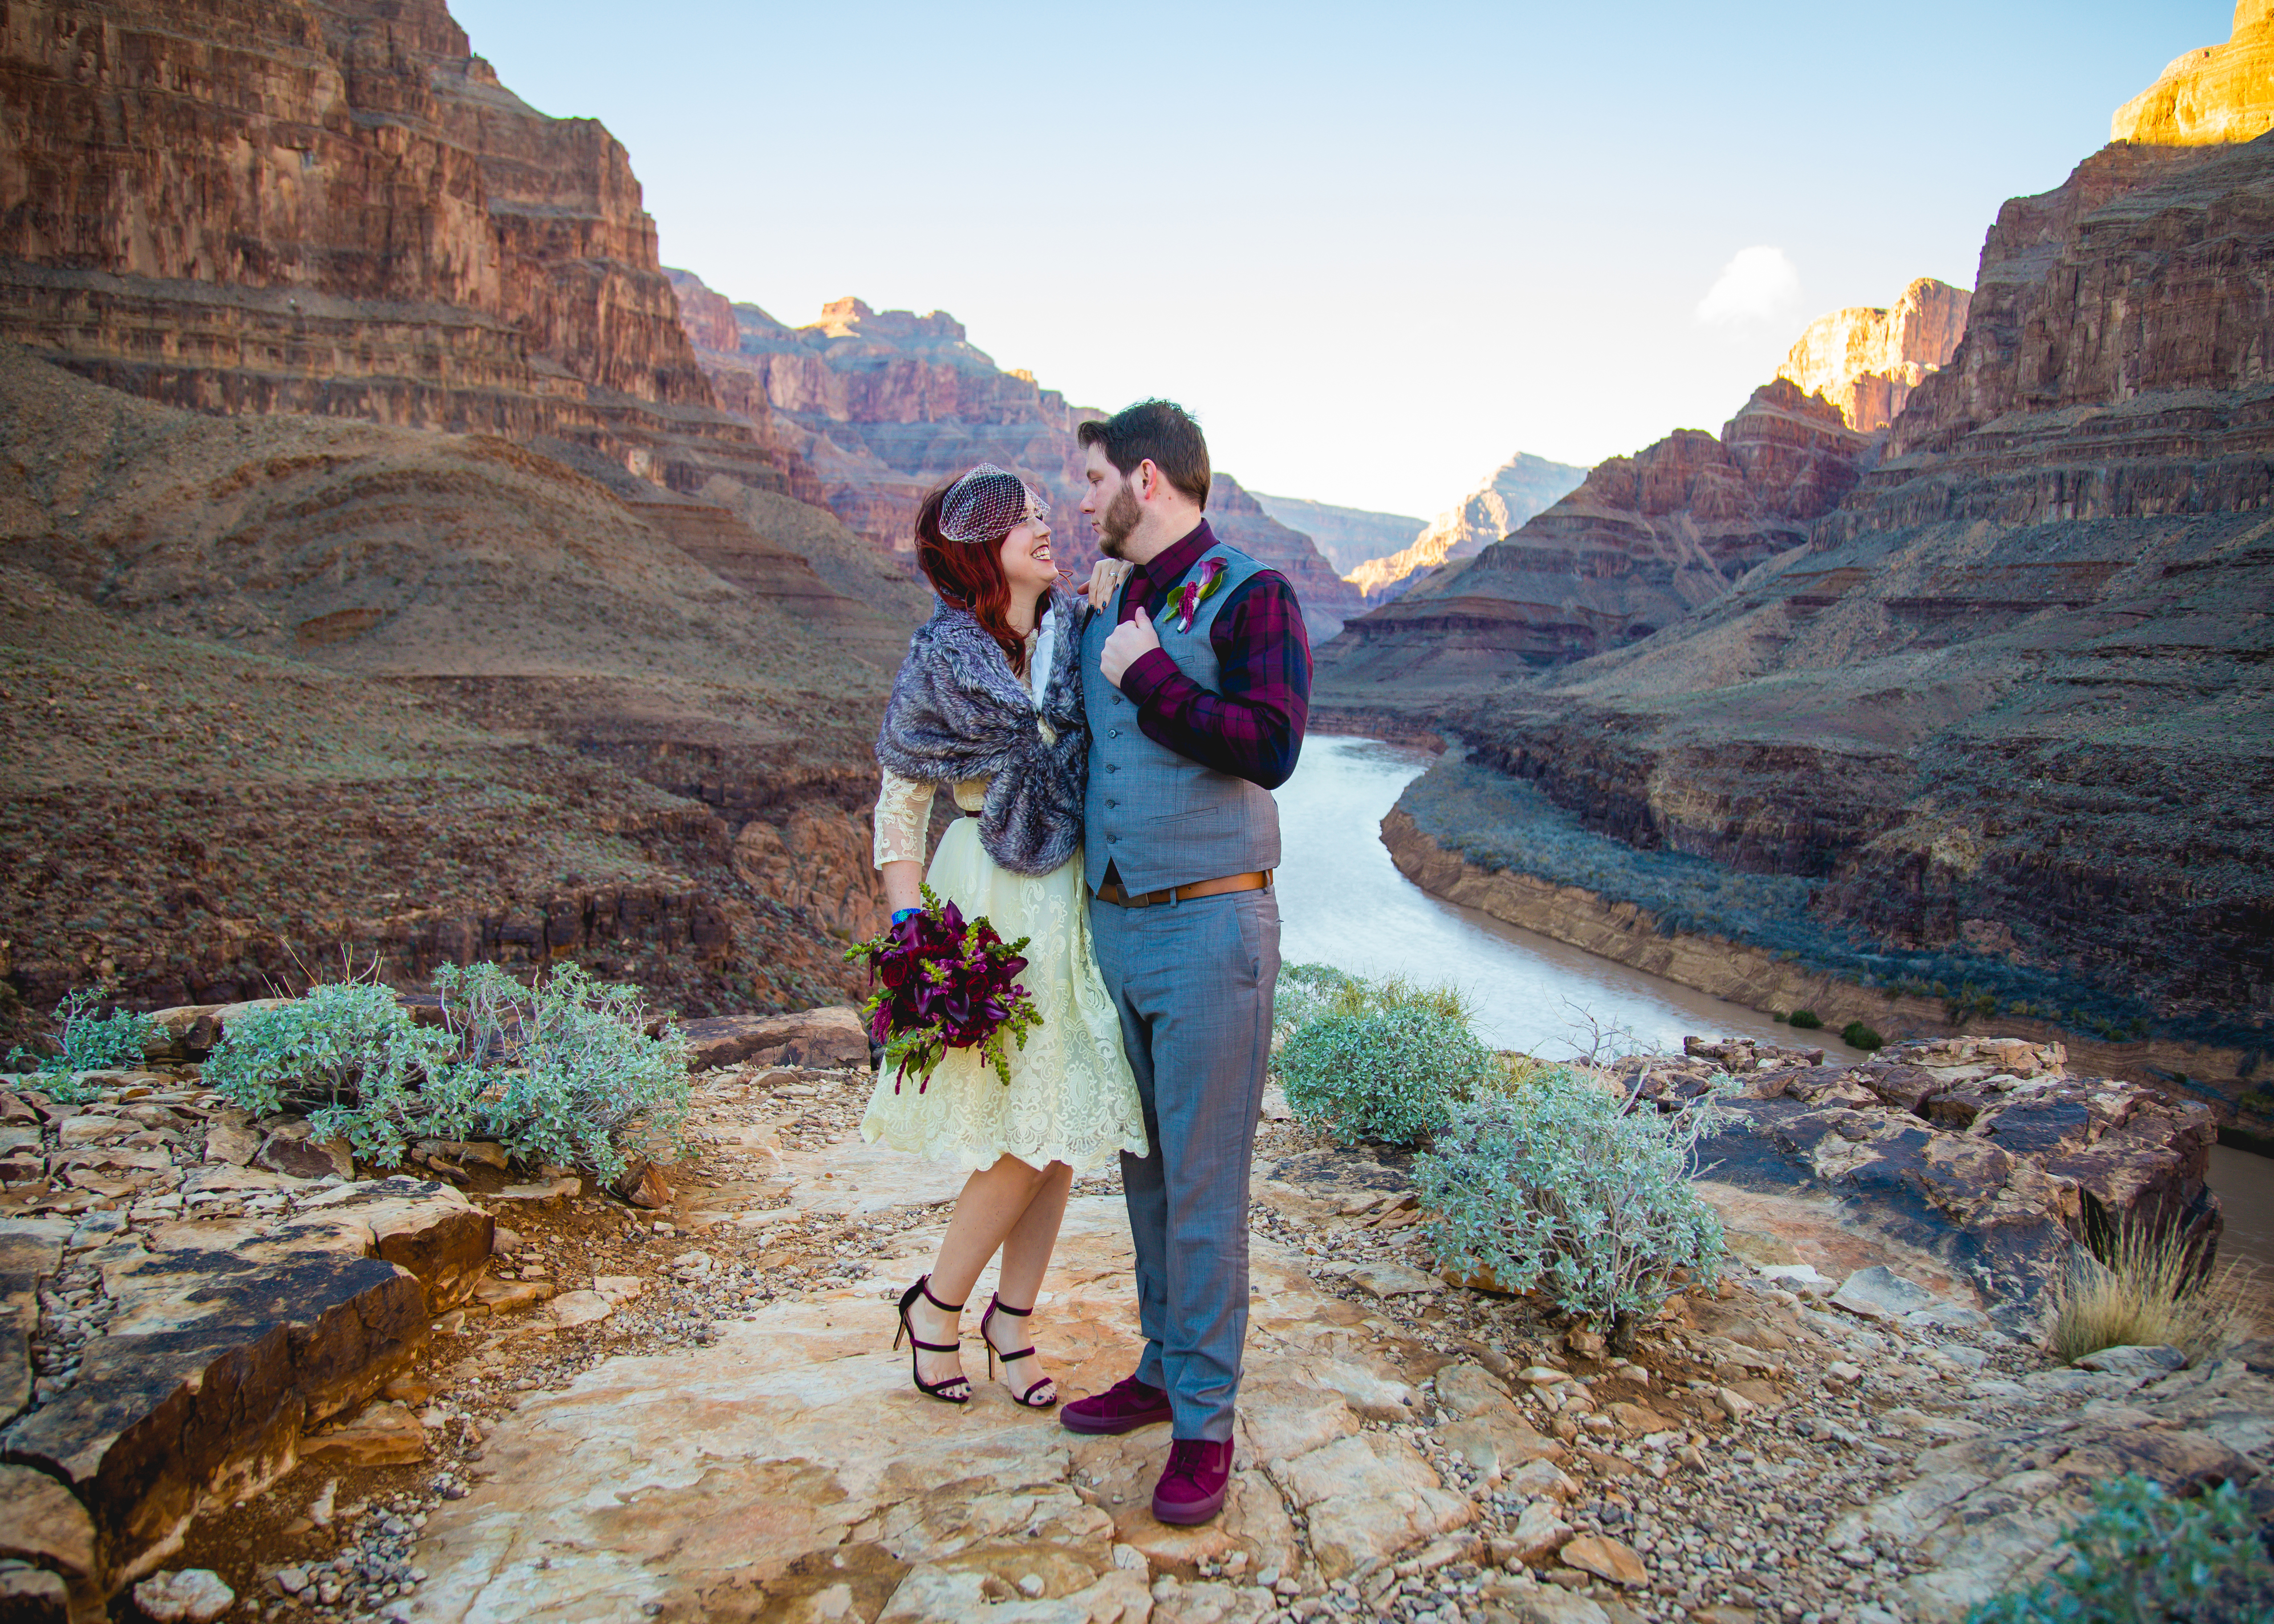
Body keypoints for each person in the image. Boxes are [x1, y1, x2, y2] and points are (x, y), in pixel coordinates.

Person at [1058, 400, 1311, 1526]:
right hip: (1115, 928)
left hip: (1212, 932)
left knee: (1206, 1188)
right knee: (1147, 1176)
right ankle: (1162, 1370)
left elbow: (1272, 745)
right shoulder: (1115, 599)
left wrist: (1151, 673)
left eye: (1092, 479)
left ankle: (1207, 1422)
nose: (1080, 500)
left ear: (1146, 480)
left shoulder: (1254, 596)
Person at [861, 464, 1148, 1409]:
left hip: (1070, 893)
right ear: (982, 553)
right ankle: (936, 1307)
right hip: (983, 894)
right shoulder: (941, 656)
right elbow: (902, 804)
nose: (1043, 529)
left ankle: (1010, 1320)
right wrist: (912, 935)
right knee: (1021, 1131)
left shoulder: (1076, 627)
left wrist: (1112, 582)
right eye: (1022, 522)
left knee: (1061, 1127)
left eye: (1039, 514)